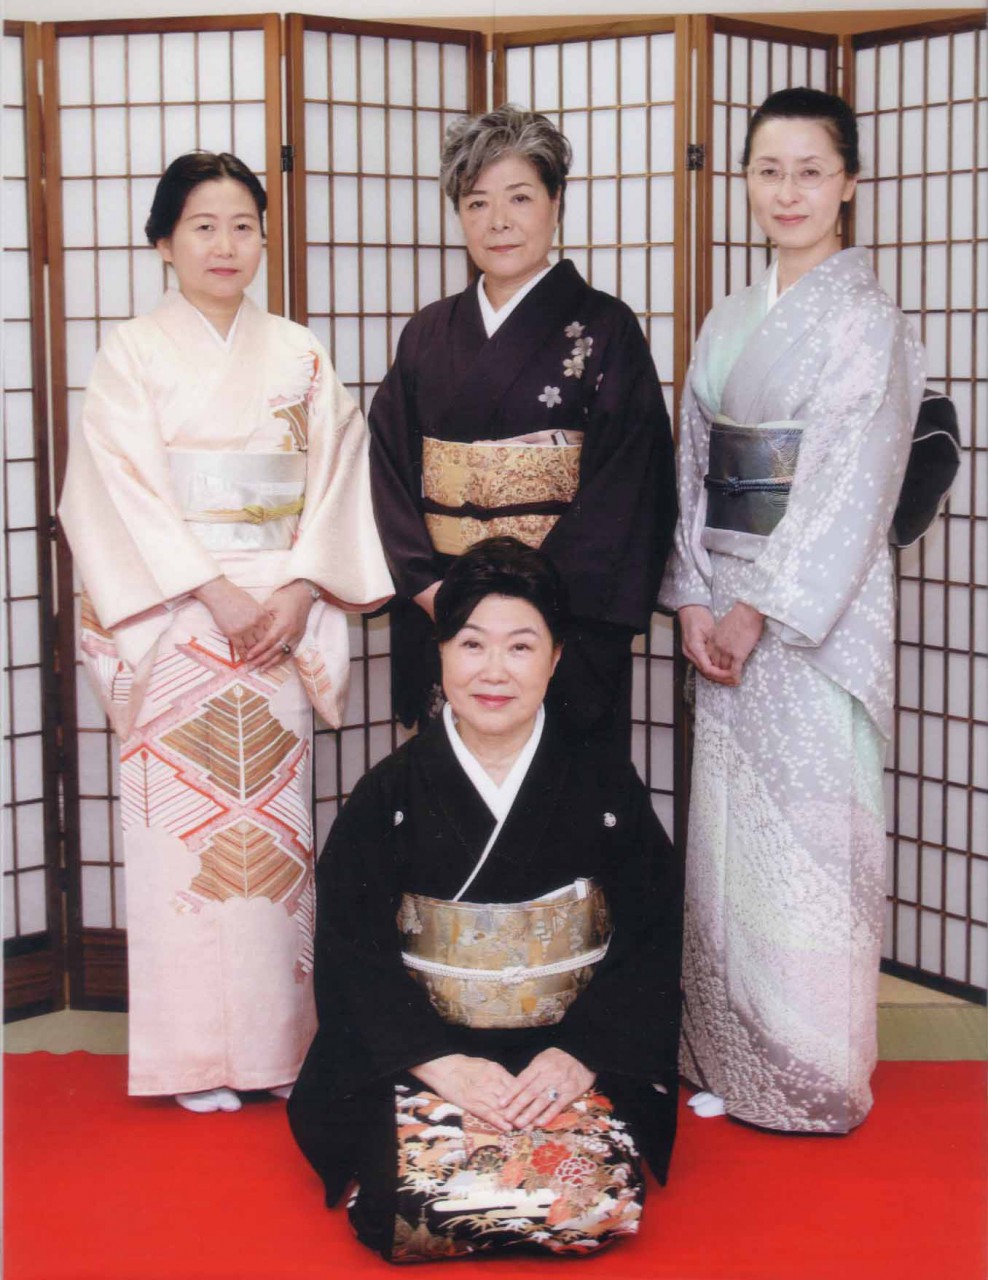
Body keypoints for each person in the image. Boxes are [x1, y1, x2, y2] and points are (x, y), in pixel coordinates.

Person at [58, 152, 392, 1113]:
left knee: (271, 843)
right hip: (173, 623)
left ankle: (278, 1046)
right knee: (185, 847)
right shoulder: (131, 354)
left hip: (277, 620)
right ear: (164, 242)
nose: (225, 244)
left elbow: (338, 480)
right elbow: (113, 490)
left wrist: (300, 589)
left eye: (244, 224)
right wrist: (209, 589)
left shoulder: (300, 354)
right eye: (202, 225)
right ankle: (194, 1056)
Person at [289, 537, 682, 1262]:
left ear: (556, 657)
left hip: (561, 1057)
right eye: (472, 644)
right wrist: (438, 1061)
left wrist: (581, 1054)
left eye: (521, 647)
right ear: (439, 651)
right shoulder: (389, 793)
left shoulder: (603, 785)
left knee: (591, 1206)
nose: (494, 671)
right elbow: (352, 950)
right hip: (426, 1054)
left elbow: (651, 936)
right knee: (402, 1211)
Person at [659, 89, 925, 1132]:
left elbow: (852, 485)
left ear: (848, 182)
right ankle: (729, 1051)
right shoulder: (730, 317)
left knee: (810, 833)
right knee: (730, 836)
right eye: (768, 170)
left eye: (811, 170)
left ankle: (810, 1076)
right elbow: (694, 464)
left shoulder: (866, 320)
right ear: (744, 181)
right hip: (723, 598)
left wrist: (759, 609)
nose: (788, 192)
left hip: (816, 615)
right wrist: (692, 593)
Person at [369, 105, 677, 750]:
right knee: (449, 788)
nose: (498, 221)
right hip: (445, 613)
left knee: (559, 791)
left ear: (556, 203)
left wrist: (527, 613)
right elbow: (389, 473)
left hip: (560, 622)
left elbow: (629, 490)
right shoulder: (427, 334)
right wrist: (431, 591)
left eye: (519, 197)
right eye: (476, 203)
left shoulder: (606, 331)